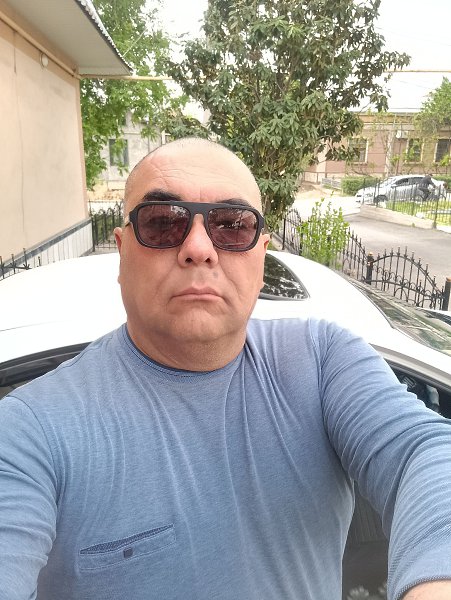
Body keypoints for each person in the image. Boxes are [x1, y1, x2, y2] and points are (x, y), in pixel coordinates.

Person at [1, 137, 451, 600]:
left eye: (233, 226)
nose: (198, 247)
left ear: (261, 255)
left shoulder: (322, 359)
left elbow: (421, 452)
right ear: (122, 251)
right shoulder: (30, 431)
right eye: (162, 222)